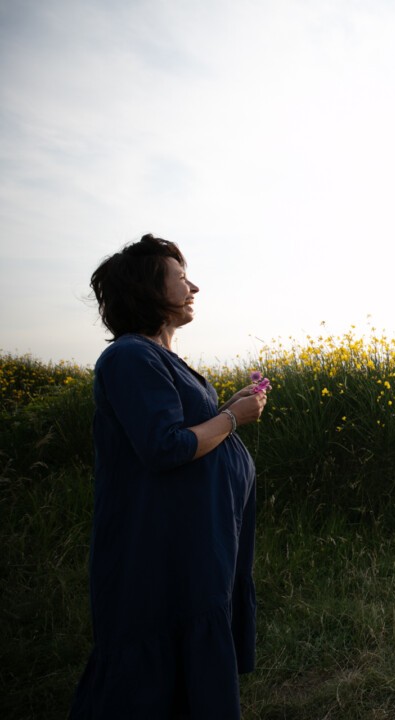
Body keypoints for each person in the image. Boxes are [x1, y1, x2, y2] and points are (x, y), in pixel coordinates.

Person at [70, 234, 267, 719]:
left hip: (189, 547)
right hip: (158, 552)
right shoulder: (130, 357)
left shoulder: (154, 358)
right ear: (148, 290)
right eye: (180, 278)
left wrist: (226, 410)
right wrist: (233, 419)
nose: (193, 286)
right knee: (146, 685)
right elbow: (164, 448)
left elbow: (183, 435)